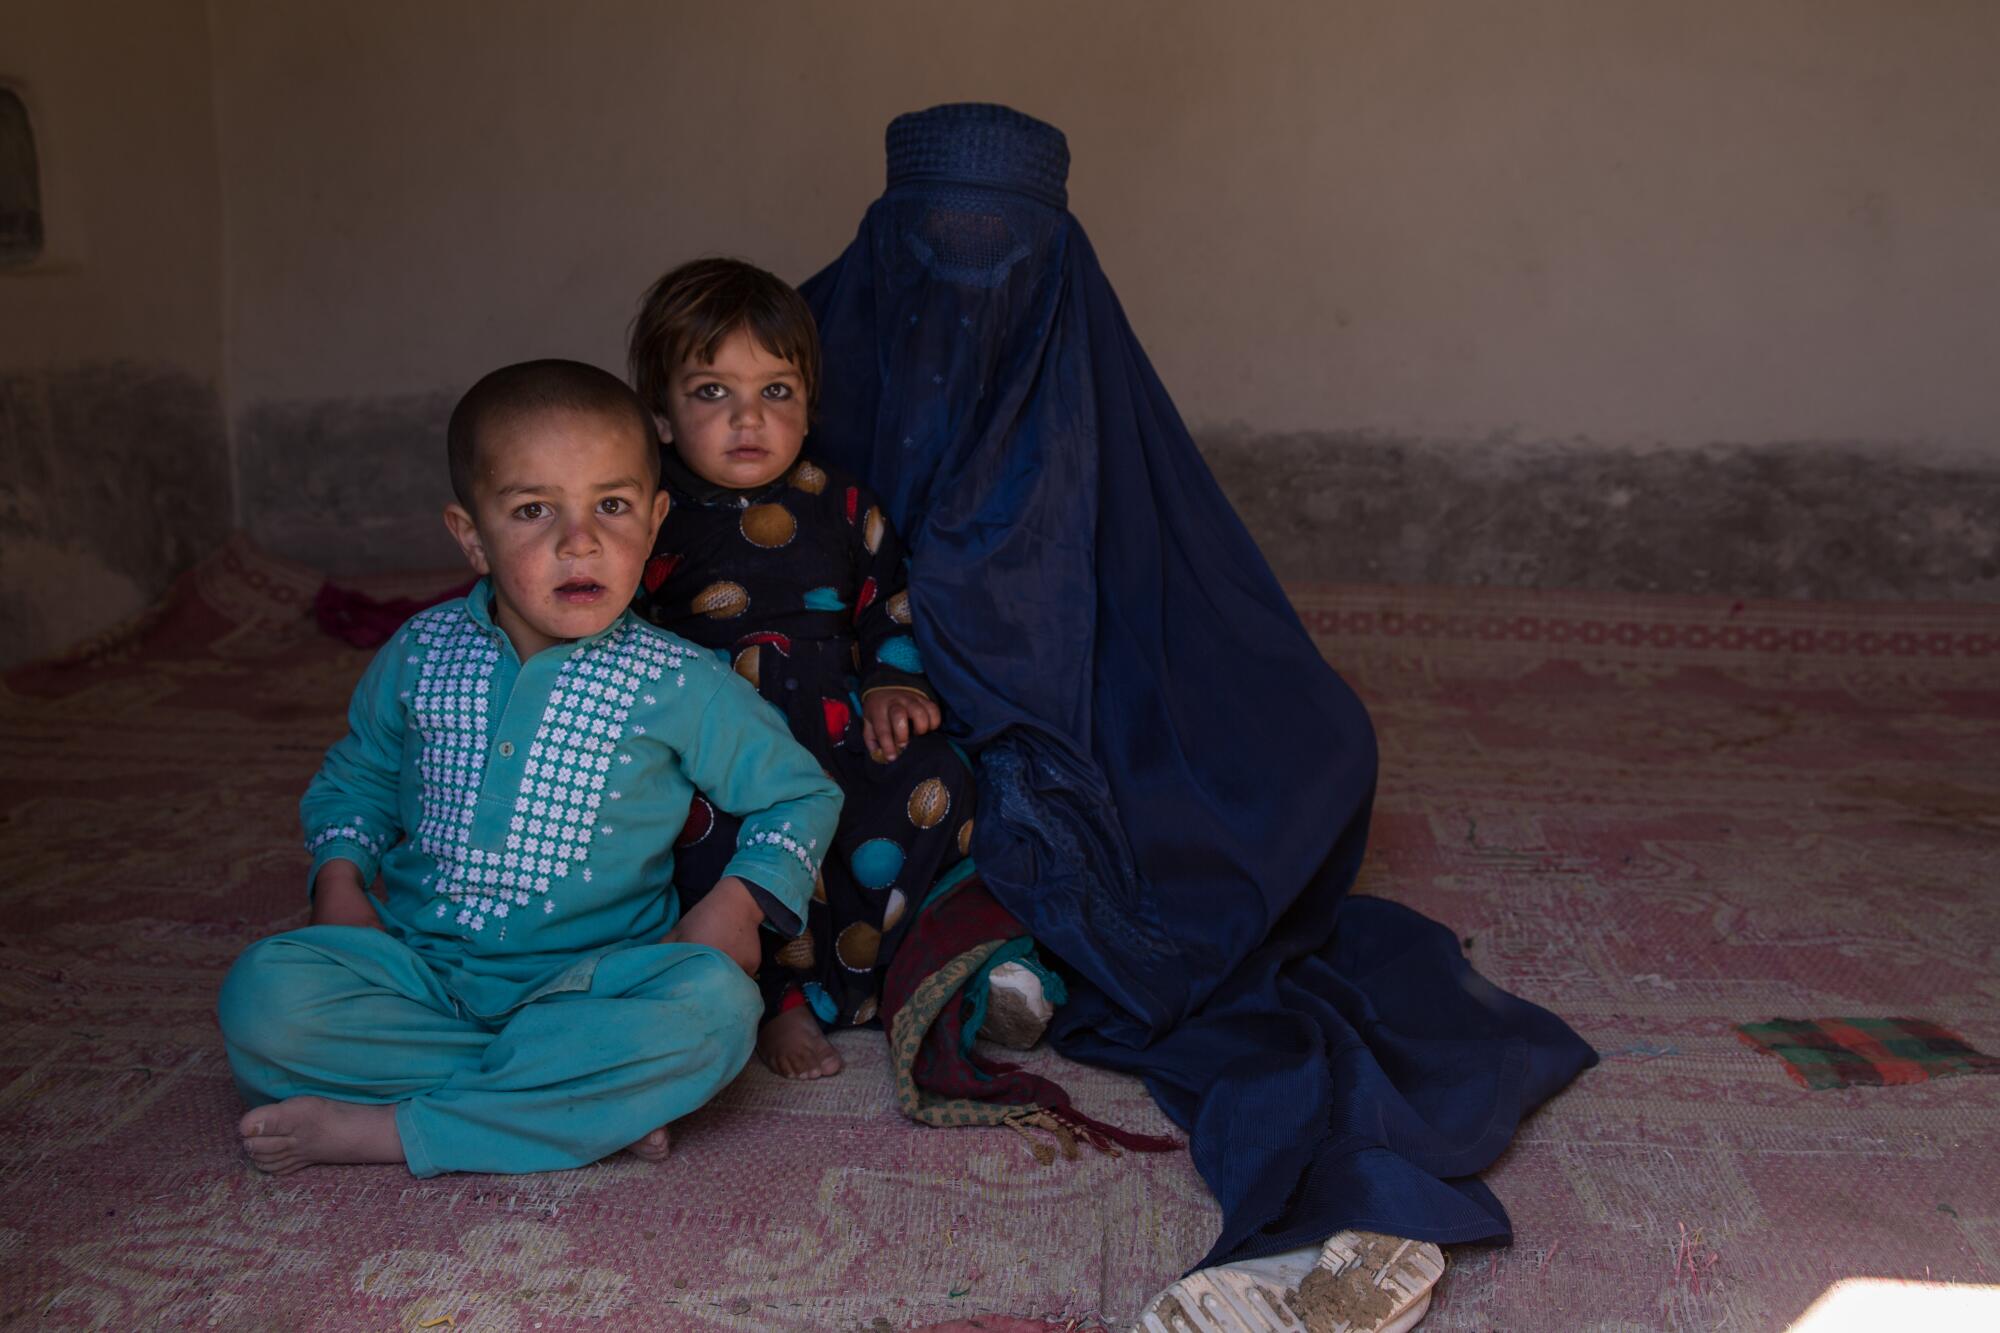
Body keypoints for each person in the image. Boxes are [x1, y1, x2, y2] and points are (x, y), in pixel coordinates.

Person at [800, 104, 1597, 1327]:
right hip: (852, 716)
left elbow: (1106, 629)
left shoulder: (1077, 392)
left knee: (1204, 853)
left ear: (1057, 268)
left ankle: (1317, 1208)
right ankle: (999, 946)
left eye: (1000, 255)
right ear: (878, 249)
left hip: (1064, 729)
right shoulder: (791, 373)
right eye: (934, 250)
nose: (968, 288)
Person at [216, 359, 841, 1177]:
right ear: (471, 533)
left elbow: (800, 795)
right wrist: (339, 881)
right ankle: (576, 1108)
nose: (579, 540)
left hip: (594, 990)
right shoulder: (418, 653)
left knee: (716, 1010)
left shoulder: (681, 682)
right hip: (419, 974)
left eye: (611, 506)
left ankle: (394, 1132)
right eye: (533, 509)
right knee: (261, 1000)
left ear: (655, 522)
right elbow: (360, 775)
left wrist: (735, 902)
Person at [627, 258, 976, 1080]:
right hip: (715, 744)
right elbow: (616, 631)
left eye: (776, 391)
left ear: (809, 402)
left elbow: (890, 600)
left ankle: (888, 970)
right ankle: (778, 1000)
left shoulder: (842, 501)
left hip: (833, 726)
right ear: (662, 416)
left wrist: (894, 682)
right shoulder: (648, 513)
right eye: (713, 391)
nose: (749, 418)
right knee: (709, 831)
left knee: (943, 781)